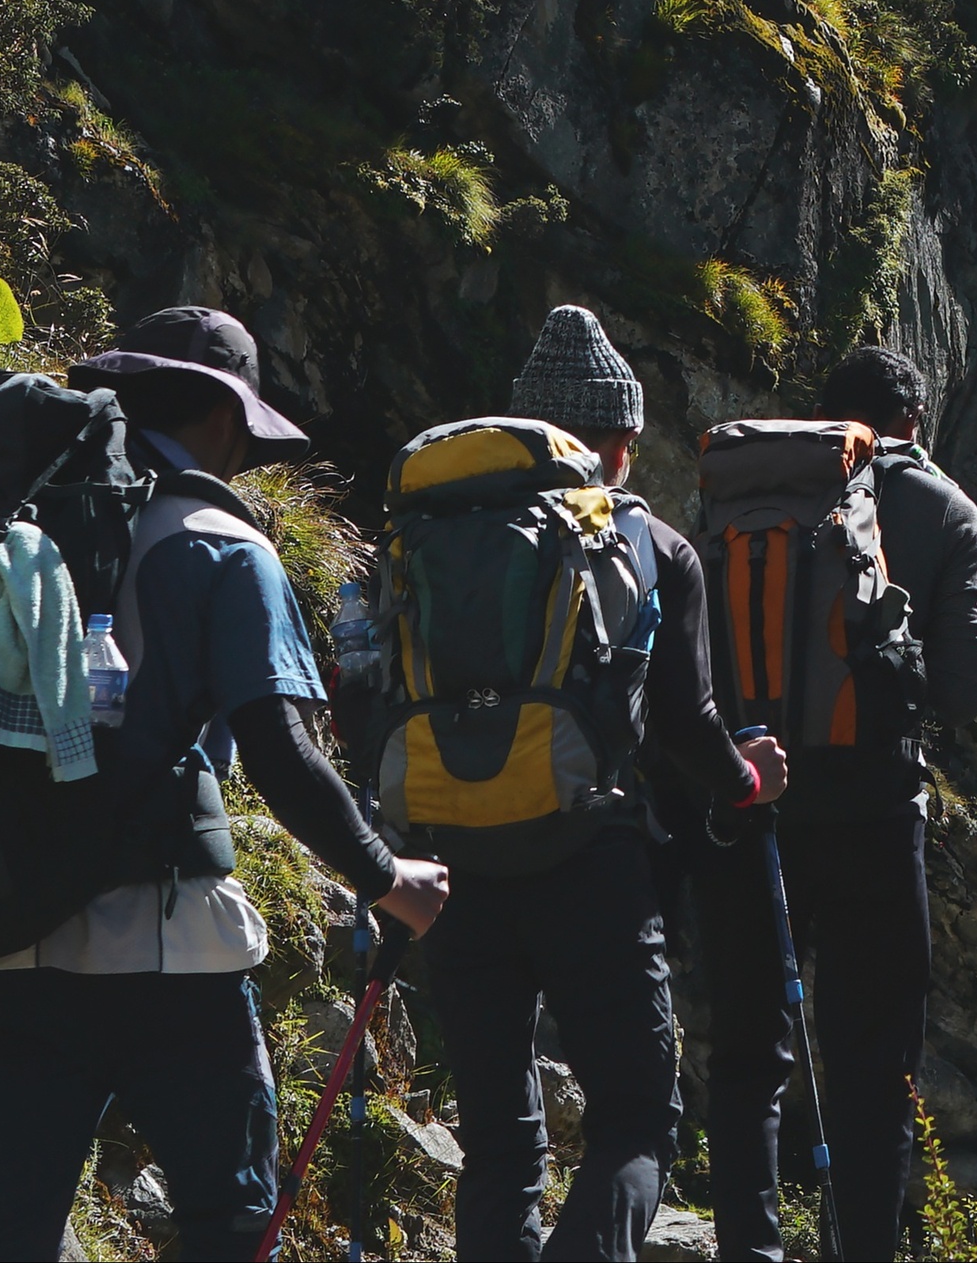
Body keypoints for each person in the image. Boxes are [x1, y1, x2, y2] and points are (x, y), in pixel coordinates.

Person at [0, 306, 451, 1263]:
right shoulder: (218, 542)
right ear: (226, 417)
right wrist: (387, 877)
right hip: (163, 945)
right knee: (230, 1215)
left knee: (4, 1237)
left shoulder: (1, 519)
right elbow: (282, 752)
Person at [421, 304, 790, 1263]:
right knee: (635, 1118)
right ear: (622, 443)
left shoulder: (437, 527)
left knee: (499, 1136)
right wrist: (748, 780)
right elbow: (690, 726)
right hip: (590, 863)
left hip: (454, 861)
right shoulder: (654, 546)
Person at [696, 342, 977, 1263]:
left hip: (752, 801)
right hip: (871, 813)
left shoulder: (747, 494)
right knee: (873, 1065)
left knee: (747, 1056)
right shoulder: (945, 509)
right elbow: (968, 688)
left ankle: (749, 1246)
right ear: (914, 422)